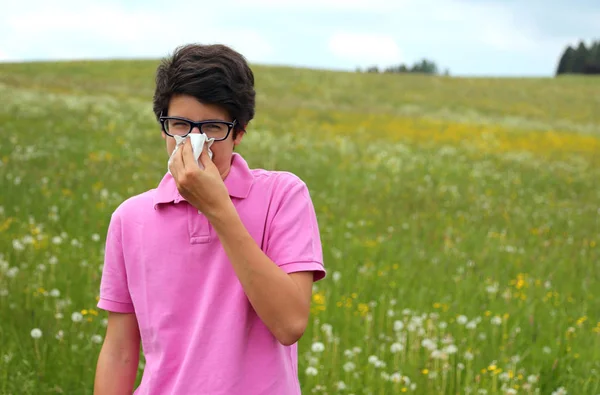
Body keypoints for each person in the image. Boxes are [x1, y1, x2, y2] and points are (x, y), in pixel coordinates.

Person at [93, 43, 326, 395]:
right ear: (163, 128)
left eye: (213, 128)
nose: (196, 142)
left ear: (240, 131)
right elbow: (120, 351)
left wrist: (218, 208)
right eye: (181, 125)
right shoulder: (130, 218)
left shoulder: (283, 195)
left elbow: (290, 323)